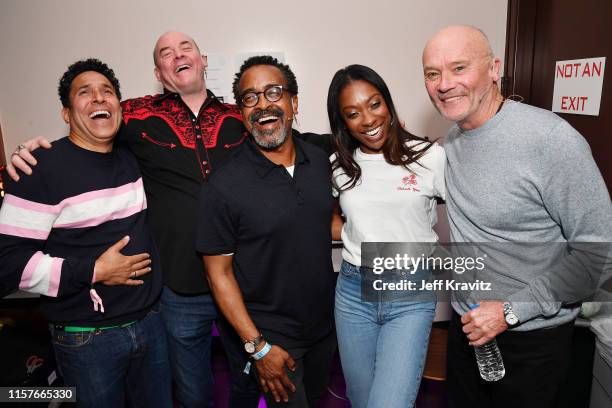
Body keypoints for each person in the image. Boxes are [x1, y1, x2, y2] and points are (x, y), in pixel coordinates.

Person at [7, 31, 247, 407]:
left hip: (226, 286)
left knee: (248, 383)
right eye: (166, 53)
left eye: (186, 48)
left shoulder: (238, 116)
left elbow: (283, 145)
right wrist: (28, 152)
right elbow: (84, 138)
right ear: (158, 71)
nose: (99, 99)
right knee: (192, 394)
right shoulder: (133, 118)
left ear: (203, 60)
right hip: (165, 298)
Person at [422, 25, 612, 407]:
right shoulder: (453, 141)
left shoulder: (551, 140)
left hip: (531, 339)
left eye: (459, 68)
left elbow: (599, 253)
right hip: (467, 331)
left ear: (494, 69)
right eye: (432, 73)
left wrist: (510, 311)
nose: (444, 84)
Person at [0, 58, 171, 407]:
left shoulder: (134, 159)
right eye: (85, 92)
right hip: (88, 339)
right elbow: (8, 265)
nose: (98, 98)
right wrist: (94, 270)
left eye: (107, 91)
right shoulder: (38, 170)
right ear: (66, 113)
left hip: (152, 325)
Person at [195, 55, 337, 408]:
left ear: (293, 103)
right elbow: (219, 276)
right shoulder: (224, 186)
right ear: (241, 113)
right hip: (272, 338)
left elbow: (320, 222)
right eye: (250, 97)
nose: (262, 104)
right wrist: (257, 347)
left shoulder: (318, 161)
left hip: (325, 327)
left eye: (273, 92)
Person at [327, 64, 445, 407]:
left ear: (388, 103)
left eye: (374, 104)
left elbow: (470, 217)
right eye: (353, 113)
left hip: (409, 292)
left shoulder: (429, 157)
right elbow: (335, 221)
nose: (367, 119)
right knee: (361, 401)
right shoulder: (340, 164)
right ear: (343, 121)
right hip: (352, 292)